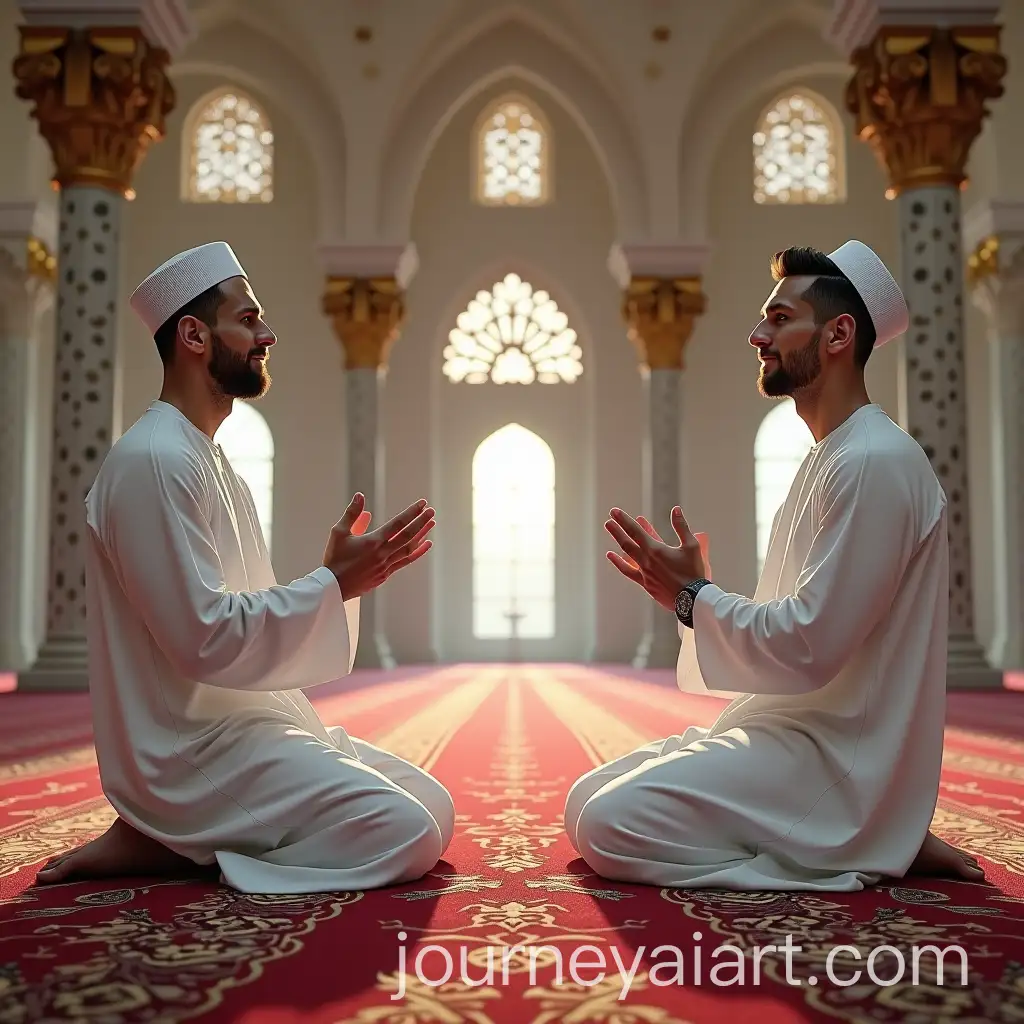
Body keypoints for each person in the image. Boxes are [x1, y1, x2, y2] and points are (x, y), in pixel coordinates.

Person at [37, 241, 454, 894]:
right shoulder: (154, 461)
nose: (268, 335)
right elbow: (203, 636)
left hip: (248, 729)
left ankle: (193, 838)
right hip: (191, 752)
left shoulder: (204, 456)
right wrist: (335, 583)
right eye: (249, 319)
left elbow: (230, 615)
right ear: (194, 336)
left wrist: (333, 581)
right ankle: (176, 837)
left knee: (435, 807)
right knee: (406, 833)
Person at [566, 240, 985, 890]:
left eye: (780, 318)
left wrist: (693, 595)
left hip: (838, 763)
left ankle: (865, 839)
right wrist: (694, 597)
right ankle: (879, 836)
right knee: (583, 801)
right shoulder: (833, 455)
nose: (757, 335)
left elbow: (809, 644)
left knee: (607, 825)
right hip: (794, 737)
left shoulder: (874, 461)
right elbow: (796, 632)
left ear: (838, 334)